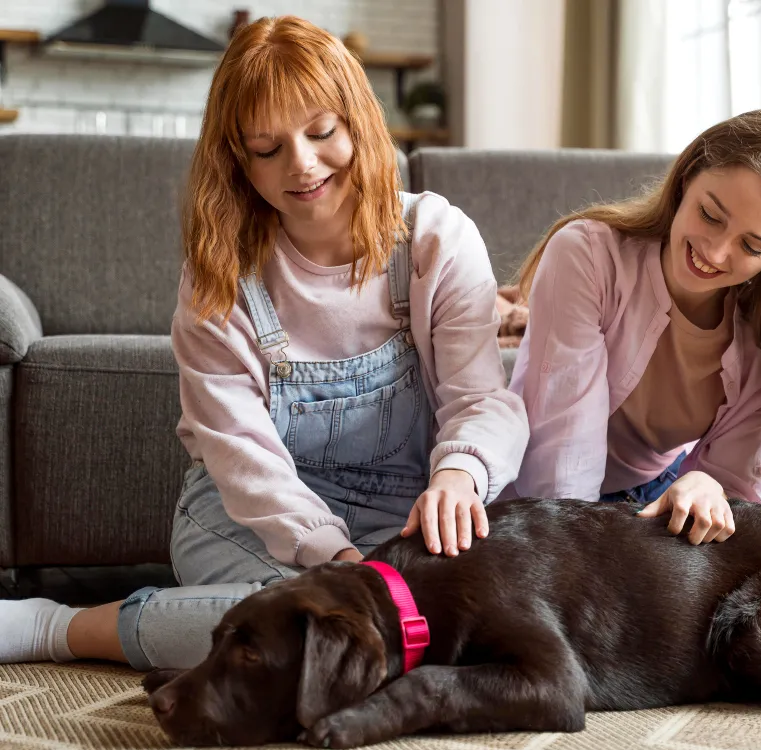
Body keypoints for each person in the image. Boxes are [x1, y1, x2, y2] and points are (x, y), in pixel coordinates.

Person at [0, 15, 527, 669]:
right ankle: (58, 628)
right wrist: (337, 563)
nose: (301, 165)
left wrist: (459, 475)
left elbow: (481, 397)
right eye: (267, 147)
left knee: (424, 628)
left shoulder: (435, 238)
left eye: (321, 131)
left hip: (401, 513)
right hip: (248, 515)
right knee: (316, 631)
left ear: (357, 121)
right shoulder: (221, 271)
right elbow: (243, 456)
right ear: (238, 159)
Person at [507, 108, 761, 597]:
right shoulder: (588, 254)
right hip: (542, 501)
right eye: (710, 215)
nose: (714, 253)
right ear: (685, 178)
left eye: (753, 246)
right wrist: (576, 575)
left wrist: (708, 488)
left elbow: (732, 480)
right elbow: (562, 463)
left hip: (655, 501)